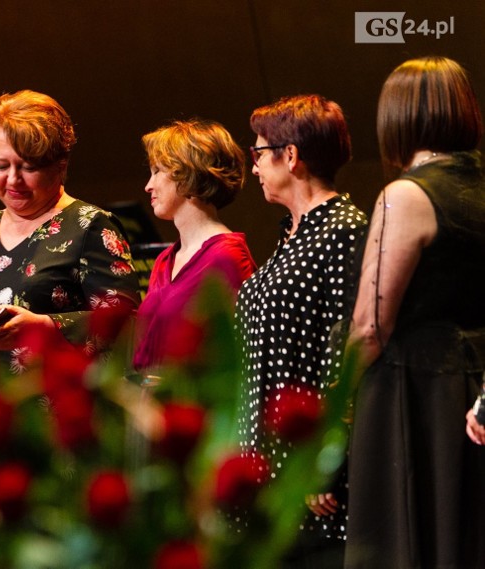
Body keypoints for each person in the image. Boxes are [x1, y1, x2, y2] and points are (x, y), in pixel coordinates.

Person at [344, 56, 485, 568]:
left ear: (397, 119)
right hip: (473, 395)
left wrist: (336, 408)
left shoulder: (405, 195)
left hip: (413, 399)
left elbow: (370, 327)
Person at [0, 89, 140, 377]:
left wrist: (45, 327)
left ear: (61, 165)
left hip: (58, 409)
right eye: (1, 165)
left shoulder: (89, 225)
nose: (13, 180)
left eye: (28, 167)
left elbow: (127, 325)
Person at [234, 95, 368, 567]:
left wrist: (323, 461)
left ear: (290, 156)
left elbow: (351, 349)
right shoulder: (293, 233)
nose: (253, 168)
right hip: (271, 465)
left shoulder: (344, 230)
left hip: (311, 474)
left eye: (257, 153)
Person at [133, 119, 256, 371]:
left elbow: (235, 358)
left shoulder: (227, 257)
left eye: (157, 171)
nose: (148, 185)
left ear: (187, 173)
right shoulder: (165, 259)